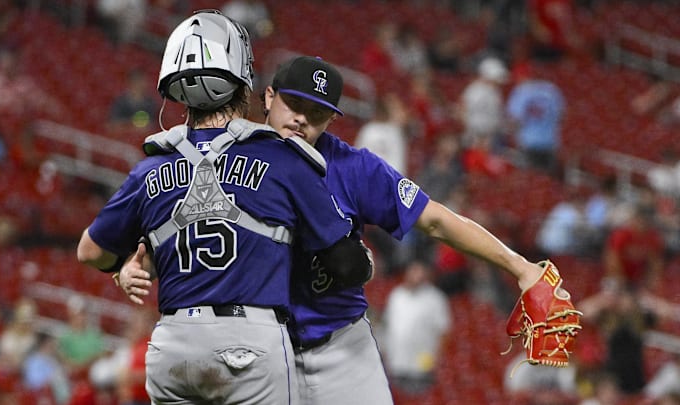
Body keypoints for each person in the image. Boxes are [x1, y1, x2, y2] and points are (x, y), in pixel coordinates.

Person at [119, 54, 553, 405]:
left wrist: (518, 266)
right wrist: (134, 263)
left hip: (339, 347)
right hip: (256, 356)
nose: (302, 120)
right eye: (294, 105)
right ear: (267, 97)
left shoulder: (354, 168)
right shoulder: (219, 160)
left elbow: (436, 219)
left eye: (318, 113)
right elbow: (181, 233)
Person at [77, 12, 370, 405]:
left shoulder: (148, 169)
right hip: (248, 343)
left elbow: (90, 251)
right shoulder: (281, 157)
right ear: (243, 82)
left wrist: (123, 268)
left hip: (173, 346)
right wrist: (363, 261)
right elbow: (345, 265)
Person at [381, 260, 452, 396]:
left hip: (422, 364)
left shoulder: (435, 298)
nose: (416, 276)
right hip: (397, 363)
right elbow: (388, 327)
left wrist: (435, 359)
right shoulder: (396, 295)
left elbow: (444, 331)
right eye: (413, 271)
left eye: (419, 272)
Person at [505, 62, 566, 175]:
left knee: (531, 180)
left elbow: (515, 120)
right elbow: (562, 116)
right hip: (550, 142)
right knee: (548, 180)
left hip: (529, 142)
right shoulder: (551, 89)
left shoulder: (520, 91)